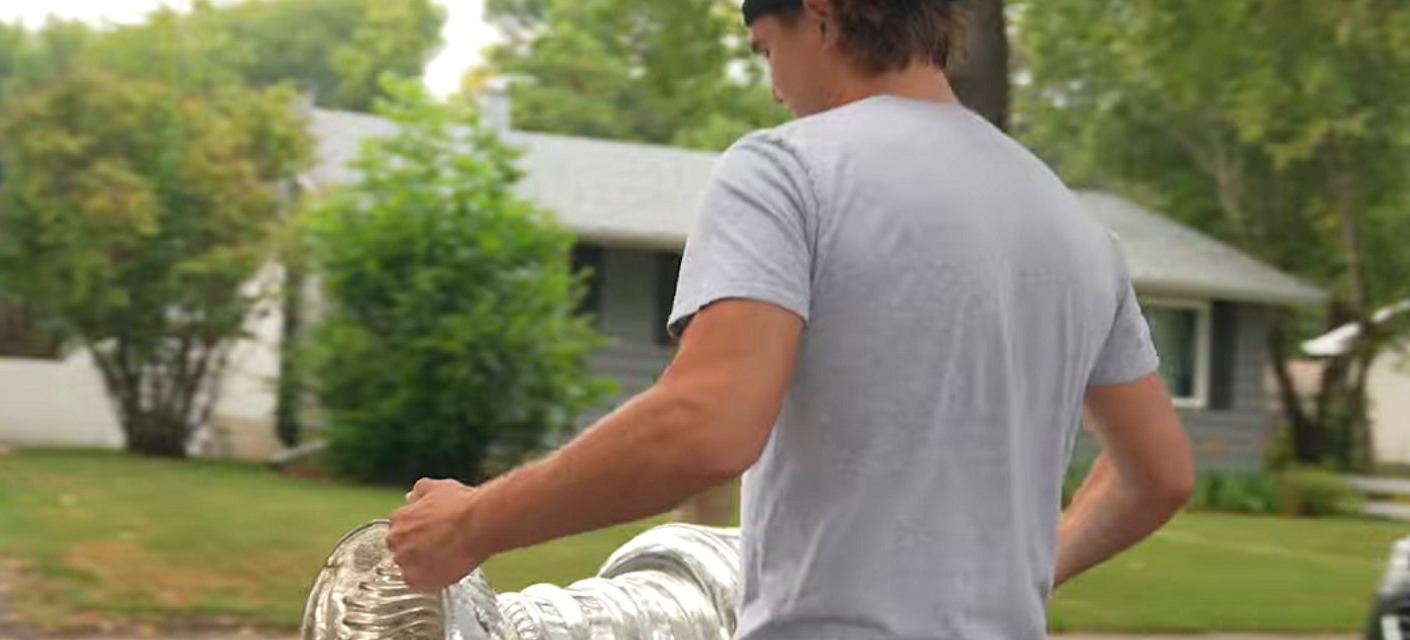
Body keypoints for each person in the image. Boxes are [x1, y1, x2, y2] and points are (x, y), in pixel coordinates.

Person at [386, 0, 1196, 637]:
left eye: (767, 50)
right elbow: (1157, 474)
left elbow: (706, 426)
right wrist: (1015, 577)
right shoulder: (1073, 228)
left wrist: (472, 524)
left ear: (820, 13)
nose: (775, 88)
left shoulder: (787, 171)